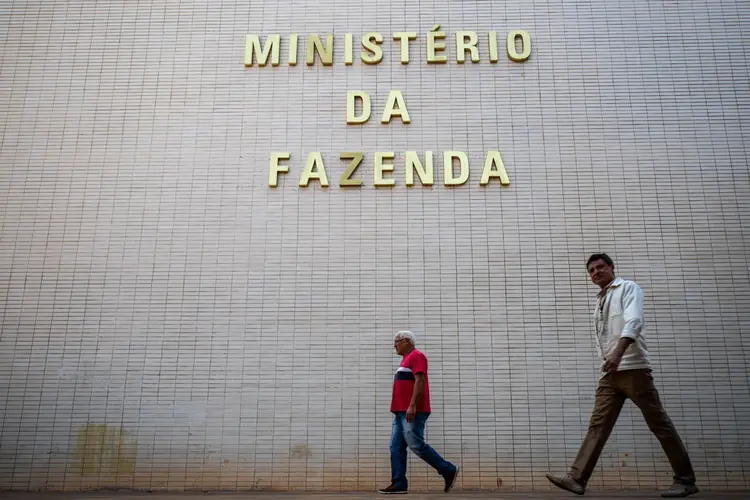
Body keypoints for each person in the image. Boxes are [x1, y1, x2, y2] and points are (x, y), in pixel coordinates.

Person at [545, 253, 699, 498]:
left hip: (633, 368)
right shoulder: (600, 300)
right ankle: (577, 478)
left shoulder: (628, 288)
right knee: (598, 425)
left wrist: (618, 353)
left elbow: (634, 321)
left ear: (611, 267)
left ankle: (685, 480)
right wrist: (609, 361)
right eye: (591, 270)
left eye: (600, 267)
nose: (596, 272)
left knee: (658, 423)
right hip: (610, 373)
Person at [378, 330, 459, 495]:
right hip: (401, 412)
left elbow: (420, 380)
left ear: (407, 341)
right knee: (395, 447)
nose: (394, 345)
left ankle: (448, 469)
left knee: (415, 444)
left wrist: (413, 405)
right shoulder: (404, 360)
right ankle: (399, 483)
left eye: (397, 341)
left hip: (412, 410)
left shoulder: (416, 356)